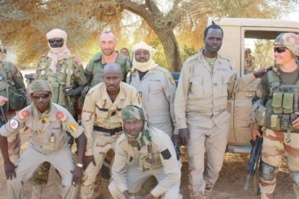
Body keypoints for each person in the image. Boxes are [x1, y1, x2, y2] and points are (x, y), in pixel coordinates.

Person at [174, 24, 269, 199]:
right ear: (204, 39)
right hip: (196, 120)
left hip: (219, 121)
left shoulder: (225, 64)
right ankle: (197, 194)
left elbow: (234, 87)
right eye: (211, 38)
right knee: (196, 164)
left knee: (216, 164)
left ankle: (207, 188)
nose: (215, 42)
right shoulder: (191, 64)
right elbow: (180, 96)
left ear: (221, 41)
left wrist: (255, 75)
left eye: (218, 39)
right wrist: (181, 125)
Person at [0, 79, 87, 199]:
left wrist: (79, 165)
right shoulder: (26, 113)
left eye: (45, 96)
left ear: (50, 95)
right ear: (31, 97)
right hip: (36, 149)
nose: (41, 100)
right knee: (13, 178)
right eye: (37, 96)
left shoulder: (61, 113)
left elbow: (81, 137)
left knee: (72, 181)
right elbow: (3, 133)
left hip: (59, 150)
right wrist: (6, 162)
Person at [30, 28, 88, 198]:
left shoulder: (73, 61)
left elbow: (84, 85)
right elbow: (33, 88)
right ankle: (37, 191)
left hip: (64, 116)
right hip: (42, 116)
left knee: (63, 153)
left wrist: (75, 91)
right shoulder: (42, 61)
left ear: (65, 40)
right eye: (52, 41)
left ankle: (64, 190)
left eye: (58, 40)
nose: (55, 44)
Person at [80, 63, 140, 199]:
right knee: (89, 173)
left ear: (122, 77)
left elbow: (138, 120)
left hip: (122, 135)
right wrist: (88, 152)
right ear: (103, 77)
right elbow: (87, 124)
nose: (111, 82)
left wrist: (134, 144)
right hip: (99, 134)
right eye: (108, 78)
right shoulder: (93, 93)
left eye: (115, 78)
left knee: (121, 174)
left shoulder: (131, 92)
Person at [251, 33, 299, 199]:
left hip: (297, 136)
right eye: (275, 50)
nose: (276, 53)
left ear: (293, 52)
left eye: (280, 50)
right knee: (267, 173)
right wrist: (255, 126)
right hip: (272, 133)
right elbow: (258, 101)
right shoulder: (269, 76)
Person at [108, 105, 182, 199]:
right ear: (123, 124)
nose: (132, 127)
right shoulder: (122, 142)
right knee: (114, 187)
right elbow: (117, 172)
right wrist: (127, 195)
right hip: (141, 166)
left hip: (164, 168)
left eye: (136, 122)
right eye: (128, 123)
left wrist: (148, 197)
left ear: (144, 122)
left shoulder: (159, 139)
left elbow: (173, 175)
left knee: (171, 196)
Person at [128, 41, 177, 138]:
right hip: (138, 127)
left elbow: (173, 102)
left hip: (161, 126)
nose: (142, 56)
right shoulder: (130, 75)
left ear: (150, 55)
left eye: (145, 53)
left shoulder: (163, 74)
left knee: (163, 152)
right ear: (134, 56)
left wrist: (177, 127)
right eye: (138, 53)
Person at [0, 39, 27, 164]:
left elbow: (22, 90)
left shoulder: (9, 68)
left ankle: (14, 177)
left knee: (13, 149)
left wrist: (24, 114)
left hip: (9, 116)